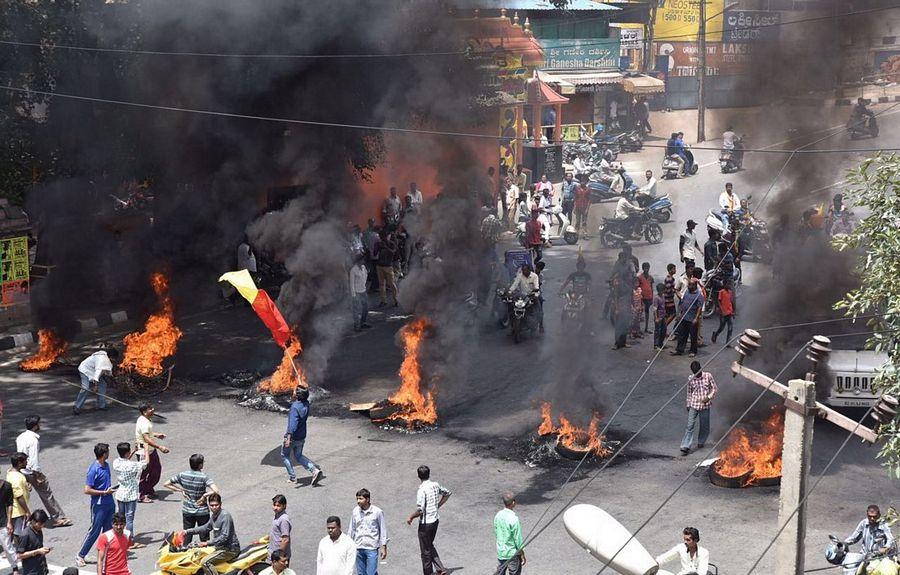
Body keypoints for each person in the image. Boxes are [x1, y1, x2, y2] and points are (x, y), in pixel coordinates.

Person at [15, 416, 71, 528]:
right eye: (39, 423)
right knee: (46, 494)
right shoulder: (33, 440)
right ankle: (57, 518)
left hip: (21, 470)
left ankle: (23, 519)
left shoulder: (20, 437)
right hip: (31, 472)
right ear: (35, 425)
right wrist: (37, 476)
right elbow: (33, 460)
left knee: (23, 495)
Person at [163, 454, 219, 544]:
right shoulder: (204, 477)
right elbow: (215, 490)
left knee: (187, 535)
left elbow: (166, 484)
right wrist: (205, 495)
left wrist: (181, 490)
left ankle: (185, 552)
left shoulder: (182, 475)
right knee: (204, 537)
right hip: (202, 511)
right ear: (200, 465)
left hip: (187, 510)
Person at [76, 443, 116, 567]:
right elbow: (87, 490)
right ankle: (80, 555)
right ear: (104, 454)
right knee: (94, 530)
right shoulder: (94, 470)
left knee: (109, 530)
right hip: (99, 505)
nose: (109, 453)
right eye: (108, 451)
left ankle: (107, 554)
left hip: (109, 502)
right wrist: (104, 492)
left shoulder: (107, 465)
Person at [406, 465, 450, 575]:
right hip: (435, 521)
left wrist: (411, 517)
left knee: (425, 551)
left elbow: (420, 510)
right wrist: (438, 505)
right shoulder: (435, 485)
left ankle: (428, 572)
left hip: (425, 524)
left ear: (418, 476)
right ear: (429, 474)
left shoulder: (422, 490)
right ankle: (440, 569)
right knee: (429, 545)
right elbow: (447, 493)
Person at [183, 493, 240, 575]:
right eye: (212, 505)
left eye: (216, 505)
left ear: (220, 504)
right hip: (220, 548)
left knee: (205, 562)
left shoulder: (225, 516)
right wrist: (187, 531)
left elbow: (224, 537)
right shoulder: (214, 516)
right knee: (197, 556)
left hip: (229, 549)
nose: (214, 507)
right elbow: (205, 528)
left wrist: (206, 543)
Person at [282, 387, 324, 486]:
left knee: (284, 455)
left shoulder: (295, 407)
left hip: (293, 437)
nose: (293, 392)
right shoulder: (306, 404)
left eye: (295, 392)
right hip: (302, 435)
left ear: (297, 395)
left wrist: (288, 438)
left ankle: (292, 478)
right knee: (298, 455)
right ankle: (314, 470)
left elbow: (293, 425)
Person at [112, 442, 147, 542]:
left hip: (120, 494)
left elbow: (125, 461)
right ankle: (130, 540)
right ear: (127, 453)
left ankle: (119, 537)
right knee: (129, 519)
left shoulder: (116, 462)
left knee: (120, 517)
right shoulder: (132, 465)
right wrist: (146, 449)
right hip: (131, 494)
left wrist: (133, 452)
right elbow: (146, 463)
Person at [680, 362, 718, 455]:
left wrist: (708, 397)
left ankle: (701, 441)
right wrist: (688, 404)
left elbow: (715, 389)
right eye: (695, 372)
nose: (697, 374)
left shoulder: (708, 376)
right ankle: (685, 446)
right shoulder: (690, 379)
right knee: (690, 425)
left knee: (704, 425)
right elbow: (689, 392)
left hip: (705, 406)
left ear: (701, 368)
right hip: (694, 405)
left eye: (698, 372)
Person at [135, 402, 168, 503]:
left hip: (151, 450)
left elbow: (148, 434)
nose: (153, 409)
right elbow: (146, 438)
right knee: (143, 474)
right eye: (150, 409)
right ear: (145, 412)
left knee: (156, 471)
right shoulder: (144, 422)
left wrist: (156, 435)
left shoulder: (145, 419)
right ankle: (141, 495)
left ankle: (148, 489)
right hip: (144, 452)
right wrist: (160, 447)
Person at [349, 488, 387, 575]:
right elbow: (352, 529)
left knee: (371, 573)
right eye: (357, 499)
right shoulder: (355, 511)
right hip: (358, 547)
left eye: (360, 499)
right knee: (361, 573)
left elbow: (383, 530)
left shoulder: (377, 512)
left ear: (367, 499)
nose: (358, 501)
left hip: (372, 548)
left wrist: (383, 547)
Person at [73, 347, 118, 415]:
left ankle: (101, 405)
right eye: (115, 358)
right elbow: (97, 376)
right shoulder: (103, 362)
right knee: (86, 388)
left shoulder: (106, 359)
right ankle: (77, 407)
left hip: (93, 371)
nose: (115, 360)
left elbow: (108, 373)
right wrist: (96, 387)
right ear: (111, 357)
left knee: (103, 385)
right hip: (85, 370)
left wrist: (113, 380)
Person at [494, 493, 525, 575]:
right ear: (513, 503)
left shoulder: (498, 515)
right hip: (512, 553)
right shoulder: (514, 519)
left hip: (501, 552)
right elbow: (517, 538)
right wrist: (522, 553)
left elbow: (496, 532)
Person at [671, 279, 704, 357]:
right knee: (682, 334)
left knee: (693, 336)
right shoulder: (686, 292)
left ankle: (693, 351)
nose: (689, 286)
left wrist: (696, 318)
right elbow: (683, 303)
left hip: (692, 318)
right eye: (689, 284)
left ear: (695, 285)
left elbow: (699, 307)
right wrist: (679, 314)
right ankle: (679, 350)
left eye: (690, 285)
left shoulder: (699, 295)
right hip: (684, 317)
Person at [16, 510, 50, 575]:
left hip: (42, 568)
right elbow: (19, 555)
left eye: (43, 524)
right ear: (33, 521)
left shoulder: (39, 530)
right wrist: (37, 551)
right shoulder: (25, 535)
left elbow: (38, 547)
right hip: (31, 572)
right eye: (40, 524)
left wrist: (43, 551)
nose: (42, 526)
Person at [0, 465, 19, 575]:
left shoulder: (6, 486)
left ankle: (15, 567)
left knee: (7, 547)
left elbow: (9, 504)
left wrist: (9, 522)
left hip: (2, 521)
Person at [8, 453, 30, 538]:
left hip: (17, 510)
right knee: (19, 534)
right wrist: (27, 511)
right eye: (25, 461)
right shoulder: (16, 478)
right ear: (19, 463)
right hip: (18, 510)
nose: (26, 463)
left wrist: (26, 485)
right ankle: (20, 550)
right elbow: (19, 497)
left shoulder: (12, 472)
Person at [374, 232, 398, 308]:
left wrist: (385, 247)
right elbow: (375, 254)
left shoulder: (391, 244)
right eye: (382, 237)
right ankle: (383, 301)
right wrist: (376, 246)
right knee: (381, 284)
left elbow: (393, 253)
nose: (383, 239)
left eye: (385, 237)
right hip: (379, 266)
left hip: (388, 266)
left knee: (391, 284)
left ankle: (396, 300)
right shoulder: (378, 244)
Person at [349, 255, 371, 332]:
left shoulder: (363, 267)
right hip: (356, 293)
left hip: (363, 291)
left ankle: (363, 323)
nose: (363, 261)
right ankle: (357, 326)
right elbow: (351, 284)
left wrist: (365, 287)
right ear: (358, 261)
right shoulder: (353, 270)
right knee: (356, 310)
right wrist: (353, 295)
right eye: (362, 260)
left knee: (366, 308)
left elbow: (366, 276)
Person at [269, 495, 292, 563]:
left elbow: (285, 540)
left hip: (279, 556)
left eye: (278, 506)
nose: (275, 508)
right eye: (274, 505)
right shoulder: (277, 515)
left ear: (284, 506)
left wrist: (279, 556)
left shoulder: (283, 519)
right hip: (274, 552)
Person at [638, 263, 654, 333]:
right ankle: (637, 329)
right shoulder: (640, 277)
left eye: (647, 268)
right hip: (641, 297)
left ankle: (646, 328)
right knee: (639, 313)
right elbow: (637, 287)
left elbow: (651, 287)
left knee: (647, 312)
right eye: (645, 268)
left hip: (648, 297)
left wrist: (652, 296)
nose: (646, 269)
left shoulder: (650, 277)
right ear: (643, 268)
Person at [653, 283, 668, 350]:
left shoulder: (663, 296)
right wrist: (656, 318)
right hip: (658, 317)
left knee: (664, 330)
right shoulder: (656, 298)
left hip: (663, 316)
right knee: (658, 331)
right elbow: (655, 309)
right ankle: (656, 345)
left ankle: (660, 343)